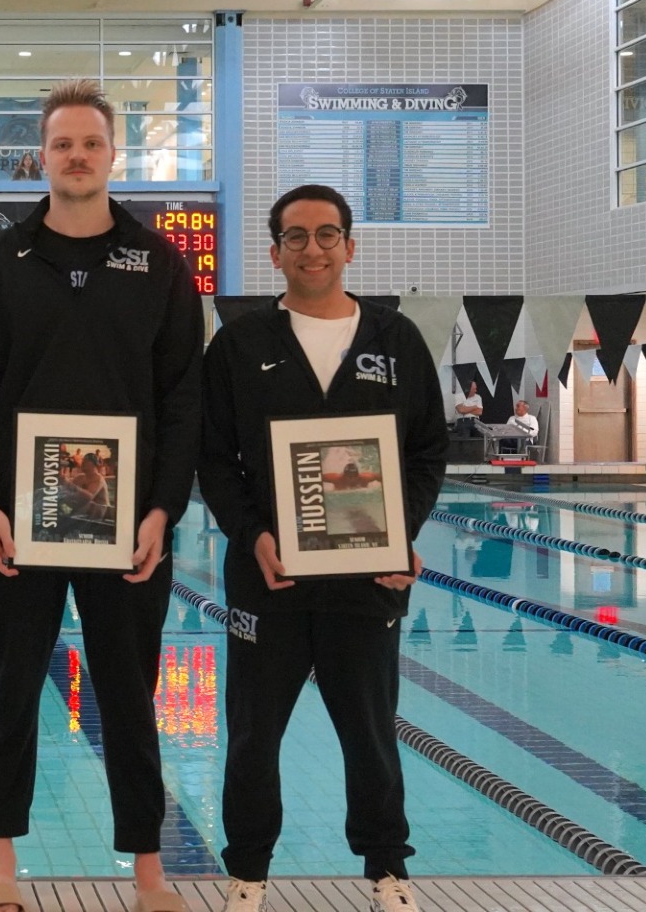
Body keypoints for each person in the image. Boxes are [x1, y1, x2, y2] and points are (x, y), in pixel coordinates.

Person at [0, 78, 203, 912]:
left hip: (128, 525)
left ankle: (150, 870)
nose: (78, 157)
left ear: (112, 154)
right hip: (21, 523)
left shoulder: (159, 263)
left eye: (91, 143)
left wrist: (163, 509)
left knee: (130, 692)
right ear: (43, 157)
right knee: (12, 689)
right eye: (63, 145)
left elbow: (182, 399)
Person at [196, 184, 449, 912]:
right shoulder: (240, 345)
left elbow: (427, 452)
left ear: (350, 245)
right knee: (252, 734)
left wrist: (402, 533)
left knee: (371, 731)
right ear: (275, 252)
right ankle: (247, 871)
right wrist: (255, 536)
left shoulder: (394, 341)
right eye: (297, 237)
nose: (313, 249)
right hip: (267, 577)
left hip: (369, 578)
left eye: (327, 234)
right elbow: (215, 460)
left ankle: (387, 870)